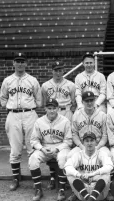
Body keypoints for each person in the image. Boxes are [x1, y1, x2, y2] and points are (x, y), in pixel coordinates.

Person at [0, 52, 42, 191]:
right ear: (13, 63)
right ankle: (16, 178)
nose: (20, 64)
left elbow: (39, 101)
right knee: (15, 149)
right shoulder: (7, 80)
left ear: (26, 63)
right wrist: (10, 107)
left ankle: (35, 180)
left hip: (30, 113)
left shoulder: (32, 80)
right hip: (13, 114)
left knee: (32, 148)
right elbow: (3, 99)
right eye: (17, 61)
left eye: (22, 61)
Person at [69, 91, 113, 201]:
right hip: (81, 145)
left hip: (98, 144)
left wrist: (98, 147)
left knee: (108, 155)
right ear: (82, 102)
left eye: (91, 100)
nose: (89, 103)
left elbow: (105, 135)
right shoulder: (77, 115)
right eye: (87, 101)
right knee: (69, 156)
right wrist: (81, 146)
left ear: (94, 101)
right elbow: (74, 134)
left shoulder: (102, 115)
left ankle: (107, 189)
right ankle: (75, 190)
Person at [41, 60, 76, 189]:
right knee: (51, 141)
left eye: (60, 70)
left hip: (65, 111)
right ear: (52, 71)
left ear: (63, 71)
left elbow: (73, 102)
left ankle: (65, 175)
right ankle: (52, 176)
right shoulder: (45, 85)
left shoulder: (70, 85)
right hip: (51, 113)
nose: (58, 72)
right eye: (56, 70)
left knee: (66, 144)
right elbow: (44, 102)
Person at [28, 98, 72, 201]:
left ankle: (61, 189)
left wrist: (57, 149)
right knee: (33, 159)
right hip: (45, 147)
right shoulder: (39, 121)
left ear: (58, 109)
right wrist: (41, 149)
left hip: (61, 147)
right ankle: (38, 190)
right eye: (49, 108)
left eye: (54, 108)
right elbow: (34, 140)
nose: (52, 110)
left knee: (63, 158)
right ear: (45, 109)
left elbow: (69, 141)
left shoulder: (65, 121)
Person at [64, 132, 114, 201]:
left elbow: (109, 166)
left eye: (92, 140)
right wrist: (79, 175)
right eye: (87, 141)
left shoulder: (101, 154)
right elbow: (67, 166)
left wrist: (93, 174)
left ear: (96, 142)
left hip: (99, 191)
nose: (89, 143)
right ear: (83, 143)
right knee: (70, 174)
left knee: (106, 174)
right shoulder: (78, 155)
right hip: (82, 190)